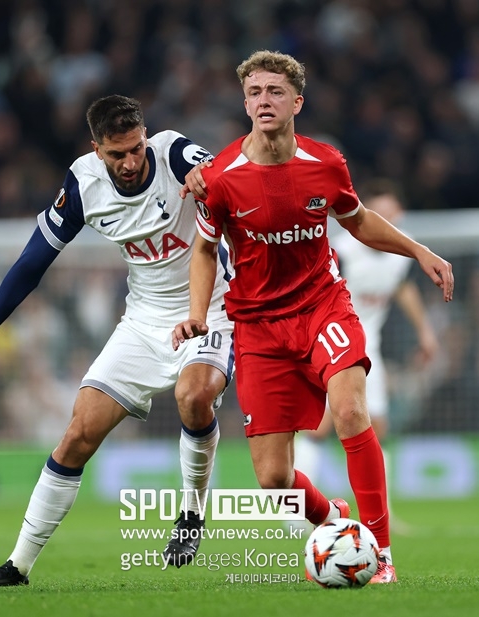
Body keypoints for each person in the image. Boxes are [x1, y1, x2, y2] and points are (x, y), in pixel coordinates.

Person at [172, 51, 454, 585]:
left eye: (274, 92)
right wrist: (195, 315)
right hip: (257, 327)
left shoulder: (326, 163)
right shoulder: (221, 178)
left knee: (350, 414)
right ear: (245, 102)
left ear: (297, 101)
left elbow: (361, 222)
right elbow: (205, 250)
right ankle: (335, 523)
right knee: (274, 479)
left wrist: (419, 252)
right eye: (254, 92)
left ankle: (382, 553)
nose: (263, 101)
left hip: (323, 305)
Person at [0, 95, 234, 587]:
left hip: (212, 310)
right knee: (76, 435)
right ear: (96, 149)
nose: (131, 162)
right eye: (118, 154)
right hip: (143, 320)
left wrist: (213, 177)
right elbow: (29, 266)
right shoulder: (83, 183)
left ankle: (193, 513)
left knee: (195, 395)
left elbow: (229, 172)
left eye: (136, 148)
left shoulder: (174, 152)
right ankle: (17, 567)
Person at [294, 179, 439, 532]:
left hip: (367, 347)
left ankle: (380, 512)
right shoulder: (342, 251)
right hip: (332, 345)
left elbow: (403, 289)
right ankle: (294, 513)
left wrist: (425, 331)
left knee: (379, 428)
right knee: (320, 428)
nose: (384, 223)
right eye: (379, 215)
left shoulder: (397, 259)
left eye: (391, 216)